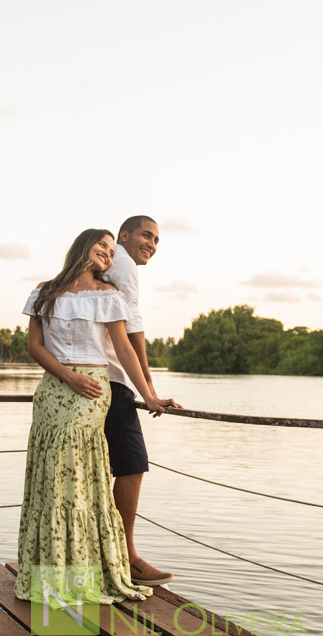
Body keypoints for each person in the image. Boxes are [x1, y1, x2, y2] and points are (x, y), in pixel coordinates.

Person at [14, 228, 163, 604]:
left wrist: (150, 395)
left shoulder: (108, 296)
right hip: (53, 390)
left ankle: (81, 573)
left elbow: (124, 350)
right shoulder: (45, 290)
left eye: (113, 253)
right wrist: (67, 376)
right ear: (84, 245)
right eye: (103, 246)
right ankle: (49, 574)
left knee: (77, 478)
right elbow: (34, 345)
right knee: (50, 480)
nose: (108, 255)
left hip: (93, 390)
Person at [102, 215, 181, 587]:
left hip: (93, 381)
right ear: (124, 235)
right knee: (132, 464)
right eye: (146, 235)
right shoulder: (123, 263)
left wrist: (147, 389)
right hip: (111, 382)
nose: (152, 244)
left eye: (157, 240)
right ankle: (127, 557)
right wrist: (148, 390)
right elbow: (132, 327)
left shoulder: (106, 265)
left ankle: (105, 555)